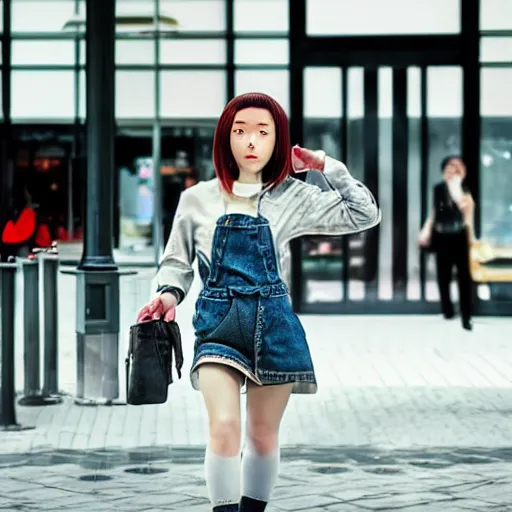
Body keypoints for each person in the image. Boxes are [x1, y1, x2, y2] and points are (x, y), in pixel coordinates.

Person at [137, 92, 381, 511]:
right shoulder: (196, 200)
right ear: (225, 139)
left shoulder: (293, 196)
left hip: (275, 326)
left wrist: (326, 166)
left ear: (277, 142)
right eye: (240, 131)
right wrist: (167, 295)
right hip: (218, 325)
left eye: (263, 132)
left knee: (263, 435)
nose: (251, 141)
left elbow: (364, 213)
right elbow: (176, 263)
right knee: (226, 427)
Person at [418, 156, 475, 331]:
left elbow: (467, 213)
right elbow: (434, 212)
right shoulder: (438, 189)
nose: (450, 173)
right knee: (444, 275)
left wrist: (471, 237)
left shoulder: (464, 190)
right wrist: (426, 230)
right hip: (442, 234)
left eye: (455, 170)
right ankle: (447, 311)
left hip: (459, 234)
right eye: (448, 170)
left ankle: (466, 316)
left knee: (464, 277)